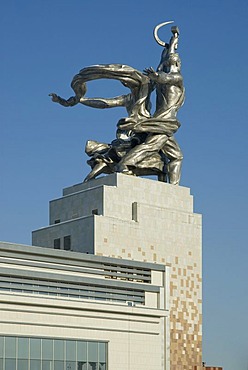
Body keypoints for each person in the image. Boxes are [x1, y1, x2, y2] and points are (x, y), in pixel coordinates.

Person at [116, 31, 184, 185]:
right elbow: (165, 76)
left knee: (176, 155)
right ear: (178, 64)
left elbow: (162, 69)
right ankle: (124, 164)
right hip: (164, 122)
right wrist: (158, 73)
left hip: (163, 122)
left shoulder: (163, 80)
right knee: (151, 146)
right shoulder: (176, 78)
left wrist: (171, 44)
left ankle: (173, 188)